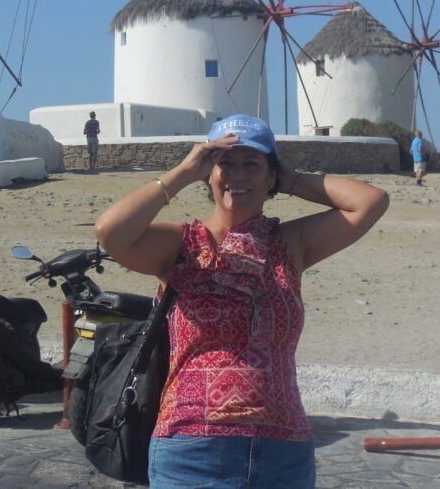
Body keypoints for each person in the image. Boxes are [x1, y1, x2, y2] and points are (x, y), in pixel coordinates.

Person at [94, 114, 389, 489]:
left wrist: (292, 180)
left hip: (284, 452)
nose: (237, 175)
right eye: (224, 164)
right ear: (209, 175)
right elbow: (110, 232)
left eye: (251, 164)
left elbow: (371, 201)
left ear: (271, 176)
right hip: (191, 447)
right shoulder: (179, 245)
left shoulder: (291, 243)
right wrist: (183, 172)